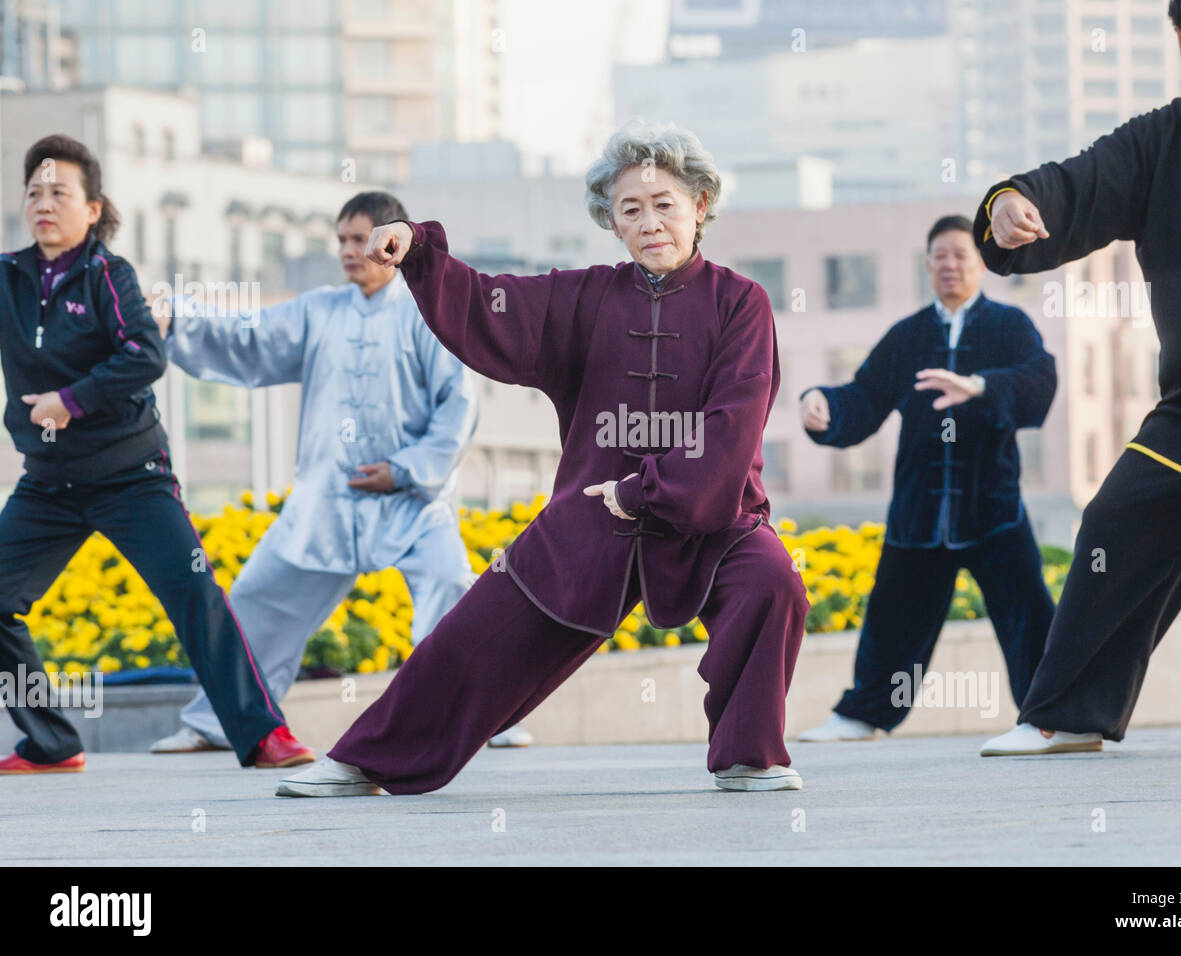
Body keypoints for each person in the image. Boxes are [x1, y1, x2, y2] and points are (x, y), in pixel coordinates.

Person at [277, 120, 808, 797]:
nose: (650, 222)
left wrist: (644, 492)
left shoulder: (742, 303)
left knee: (772, 580)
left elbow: (730, 431)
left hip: (714, 518)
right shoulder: (583, 297)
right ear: (612, 223)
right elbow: (491, 304)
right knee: (478, 627)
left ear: (699, 205)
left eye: (665, 204)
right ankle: (366, 762)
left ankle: (748, 755)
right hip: (592, 513)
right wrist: (419, 253)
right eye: (631, 209)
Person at [975, 0, 1181, 755]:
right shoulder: (1157, 142)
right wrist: (1010, 205)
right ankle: (1065, 717)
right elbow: (1074, 186)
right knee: (1114, 526)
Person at [147, 191, 532, 754]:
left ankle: (489, 718)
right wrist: (177, 317)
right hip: (324, 503)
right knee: (257, 598)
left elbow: (458, 406)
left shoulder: (428, 313)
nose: (350, 251)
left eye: (361, 239)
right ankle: (219, 721)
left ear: (391, 243)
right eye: (342, 240)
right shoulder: (317, 310)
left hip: (412, 503)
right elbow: (248, 335)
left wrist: (404, 471)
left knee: (450, 586)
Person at [0, 134, 312, 773]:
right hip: (50, 482)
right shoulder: (7, 277)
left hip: (131, 477)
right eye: (34, 191)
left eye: (60, 191)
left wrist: (71, 399)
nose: (44, 202)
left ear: (93, 209)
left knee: (195, 592)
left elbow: (145, 353)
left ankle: (261, 735)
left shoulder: (107, 275)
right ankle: (52, 741)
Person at [797, 216, 1057, 742]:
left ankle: (1053, 716)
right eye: (939, 255)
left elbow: (1040, 383)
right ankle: (862, 715)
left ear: (981, 263)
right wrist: (821, 404)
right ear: (927, 265)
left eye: (961, 254)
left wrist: (980, 386)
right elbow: (864, 397)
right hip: (919, 512)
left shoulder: (1009, 327)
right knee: (892, 618)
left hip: (994, 508)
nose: (950, 265)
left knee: (1029, 613)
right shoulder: (909, 336)